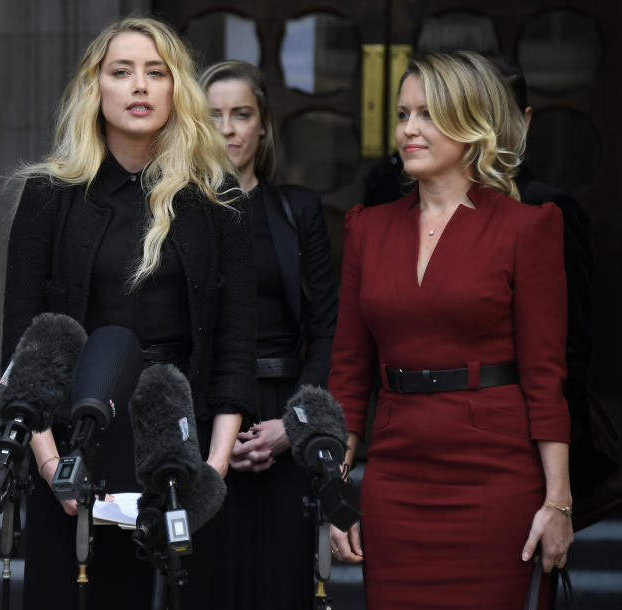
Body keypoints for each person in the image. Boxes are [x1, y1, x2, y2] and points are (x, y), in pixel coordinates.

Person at [1, 16, 256, 610]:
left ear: (176, 91)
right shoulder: (47, 195)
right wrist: (49, 464)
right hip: (72, 438)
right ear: (97, 88)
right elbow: (22, 346)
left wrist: (211, 473)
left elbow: (236, 347)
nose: (139, 86)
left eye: (155, 72)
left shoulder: (218, 199)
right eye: (122, 72)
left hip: (177, 443)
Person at [327, 50, 573, 609]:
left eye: (428, 114)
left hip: (494, 477)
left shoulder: (527, 227)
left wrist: (558, 501)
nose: (409, 129)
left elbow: (544, 375)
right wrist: (334, 490)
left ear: (471, 123)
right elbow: (348, 373)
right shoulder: (368, 229)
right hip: (394, 474)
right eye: (403, 114)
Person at [199, 60, 337, 610]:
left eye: (241, 114)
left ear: (263, 125)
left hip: (285, 407)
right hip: (207, 416)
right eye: (214, 116)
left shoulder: (298, 210)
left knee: (281, 583)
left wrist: (295, 425)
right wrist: (214, 436)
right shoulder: (177, 214)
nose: (228, 129)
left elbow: (328, 329)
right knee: (211, 580)